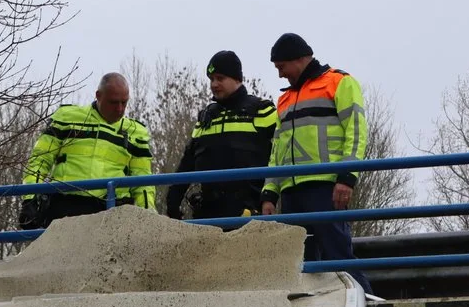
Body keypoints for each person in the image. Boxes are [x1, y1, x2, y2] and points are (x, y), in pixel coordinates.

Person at [260, 33, 373, 293]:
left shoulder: (339, 82)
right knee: (300, 263)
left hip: (326, 186)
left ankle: (368, 306)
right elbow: (277, 149)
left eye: (281, 67)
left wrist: (346, 177)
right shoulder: (285, 99)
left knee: (338, 254)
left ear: (298, 60)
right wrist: (269, 193)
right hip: (291, 192)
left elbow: (356, 133)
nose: (280, 75)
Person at [19, 72, 156, 229]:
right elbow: (40, 159)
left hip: (114, 211)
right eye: (113, 102)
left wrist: (148, 217)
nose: (120, 109)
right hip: (68, 206)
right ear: (98, 96)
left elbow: (143, 181)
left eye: (124, 103)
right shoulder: (67, 118)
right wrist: (30, 200)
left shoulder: (136, 132)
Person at [166, 50, 277, 220]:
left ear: (237, 79)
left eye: (220, 78)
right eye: (211, 79)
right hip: (209, 214)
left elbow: (279, 156)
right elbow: (187, 162)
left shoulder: (262, 110)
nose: (214, 84)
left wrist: (270, 197)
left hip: (249, 214)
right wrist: (173, 201)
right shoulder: (205, 118)